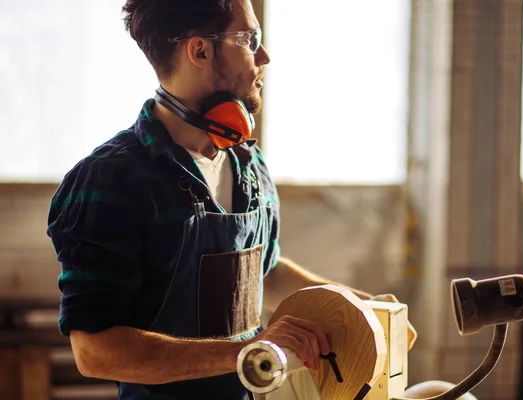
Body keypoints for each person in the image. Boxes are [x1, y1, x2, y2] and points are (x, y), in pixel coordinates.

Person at [46, 0, 417, 399]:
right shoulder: (110, 179)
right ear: (200, 50)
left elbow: (265, 274)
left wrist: (356, 306)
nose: (264, 57)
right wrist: (248, 351)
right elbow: (96, 351)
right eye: (249, 39)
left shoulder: (249, 164)